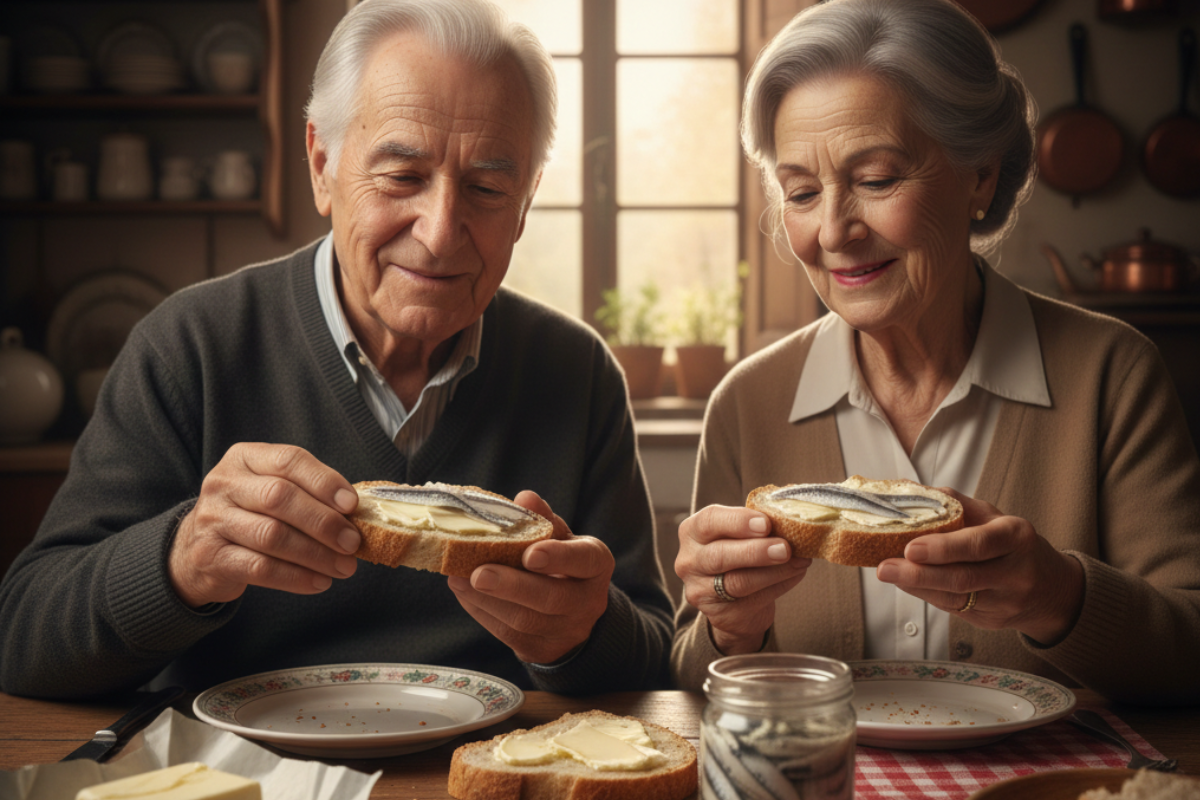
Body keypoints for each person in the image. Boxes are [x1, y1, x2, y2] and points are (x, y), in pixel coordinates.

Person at [0, 0, 673, 699]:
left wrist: (580, 636)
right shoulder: (190, 347)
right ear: (323, 165)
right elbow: (23, 639)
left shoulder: (579, 372)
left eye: (486, 187)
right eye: (402, 177)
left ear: (527, 201)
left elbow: (656, 659)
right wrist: (182, 560)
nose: (441, 232)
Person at [671, 0, 1200, 705]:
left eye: (877, 179)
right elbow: (686, 676)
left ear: (980, 175)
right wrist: (728, 629)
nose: (832, 231)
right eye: (800, 192)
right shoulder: (746, 402)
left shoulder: (1113, 374)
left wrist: (1059, 597)